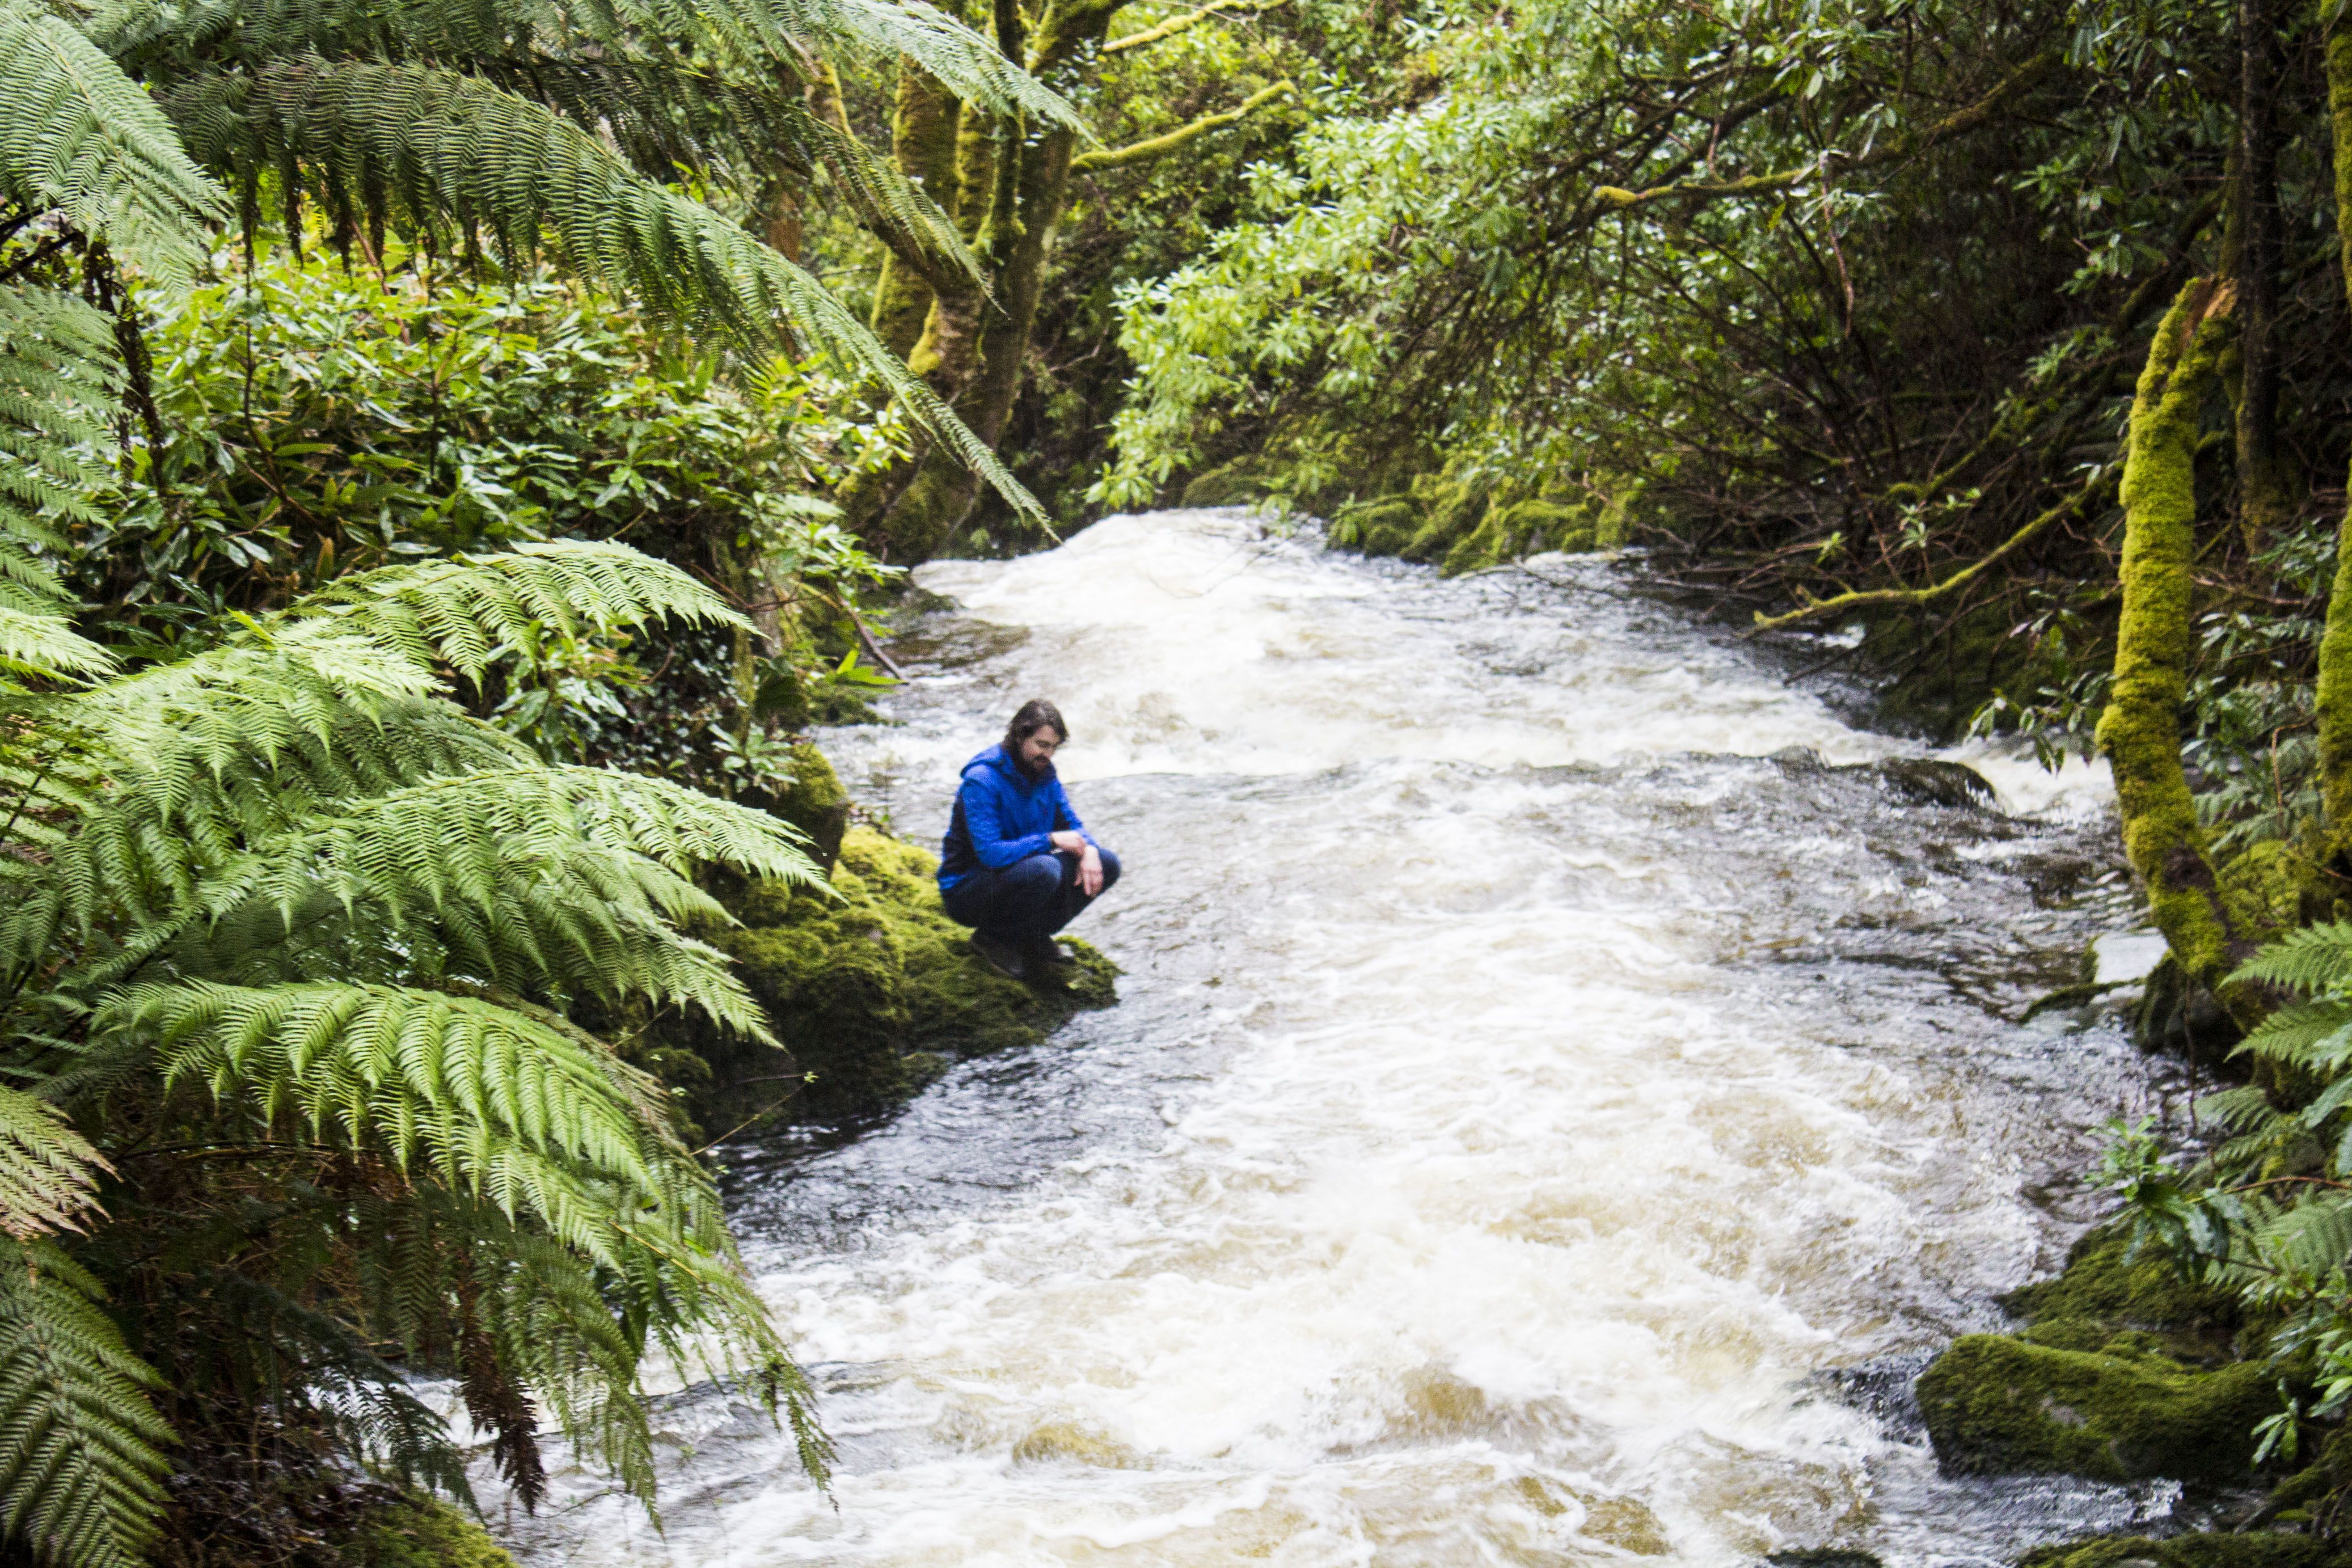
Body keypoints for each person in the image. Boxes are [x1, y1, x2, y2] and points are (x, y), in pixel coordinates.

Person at [938, 698, 1122, 982]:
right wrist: (1050, 839)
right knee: (1046, 869)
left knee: (1107, 863)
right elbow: (990, 854)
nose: (1047, 754)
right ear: (1019, 735)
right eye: (1041, 745)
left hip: (1021, 875)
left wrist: (1091, 851)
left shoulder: (1045, 775)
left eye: (1054, 747)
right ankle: (992, 939)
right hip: (969, 889)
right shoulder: (982, 780)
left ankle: (1032, 936)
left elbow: (1073, 826)